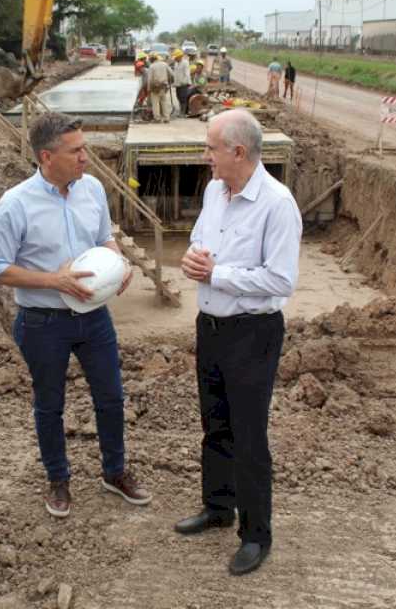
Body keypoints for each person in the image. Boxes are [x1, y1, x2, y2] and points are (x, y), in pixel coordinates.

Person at [0, 112, 151, 519]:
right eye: (76, 150)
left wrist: (119, 264)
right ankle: (58, 479)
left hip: (94, 317)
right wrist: (53, 281)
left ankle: (115, 472)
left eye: (85, 148)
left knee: (111, 397)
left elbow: (104, 237)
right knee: (49, 405)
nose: (85, 157)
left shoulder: (91, 188)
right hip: (43, 322)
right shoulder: (16, 204)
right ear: (46, 156)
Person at [176, 109, 302, 576]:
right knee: (216, 424)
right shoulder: (214, 191)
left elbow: (280, 280)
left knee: (250, 437)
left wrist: (217, 273)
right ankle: (217, 507)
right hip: (210, 328)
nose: (205, 156)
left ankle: (255, 535)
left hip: (252, 335)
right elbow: (200, 237)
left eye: (211, 148)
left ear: (238, 152)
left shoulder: (277, 203)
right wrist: (194, 256)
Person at [147, 54, 173, 123]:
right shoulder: (165, 64)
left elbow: (149, 79)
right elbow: (171, 73)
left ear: (152, 59)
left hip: (155, 87)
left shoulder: (152, 66)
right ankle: (166, 118)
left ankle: (157, 118)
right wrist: (169, 82)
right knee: (164, 102)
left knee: (155, 103)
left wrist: (148, 88)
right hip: (164, 86)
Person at [173, 49, 192, 116]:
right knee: (178, 97)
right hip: (178, 84)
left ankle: (183, 112)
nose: (175, 58)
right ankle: (181, 110)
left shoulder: (185, 63)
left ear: (180, 56)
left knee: (183, 98)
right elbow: (175, 73)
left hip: (184, 84)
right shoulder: (176, 63)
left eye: (176, 57)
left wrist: (183, 82)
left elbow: (187, 74)